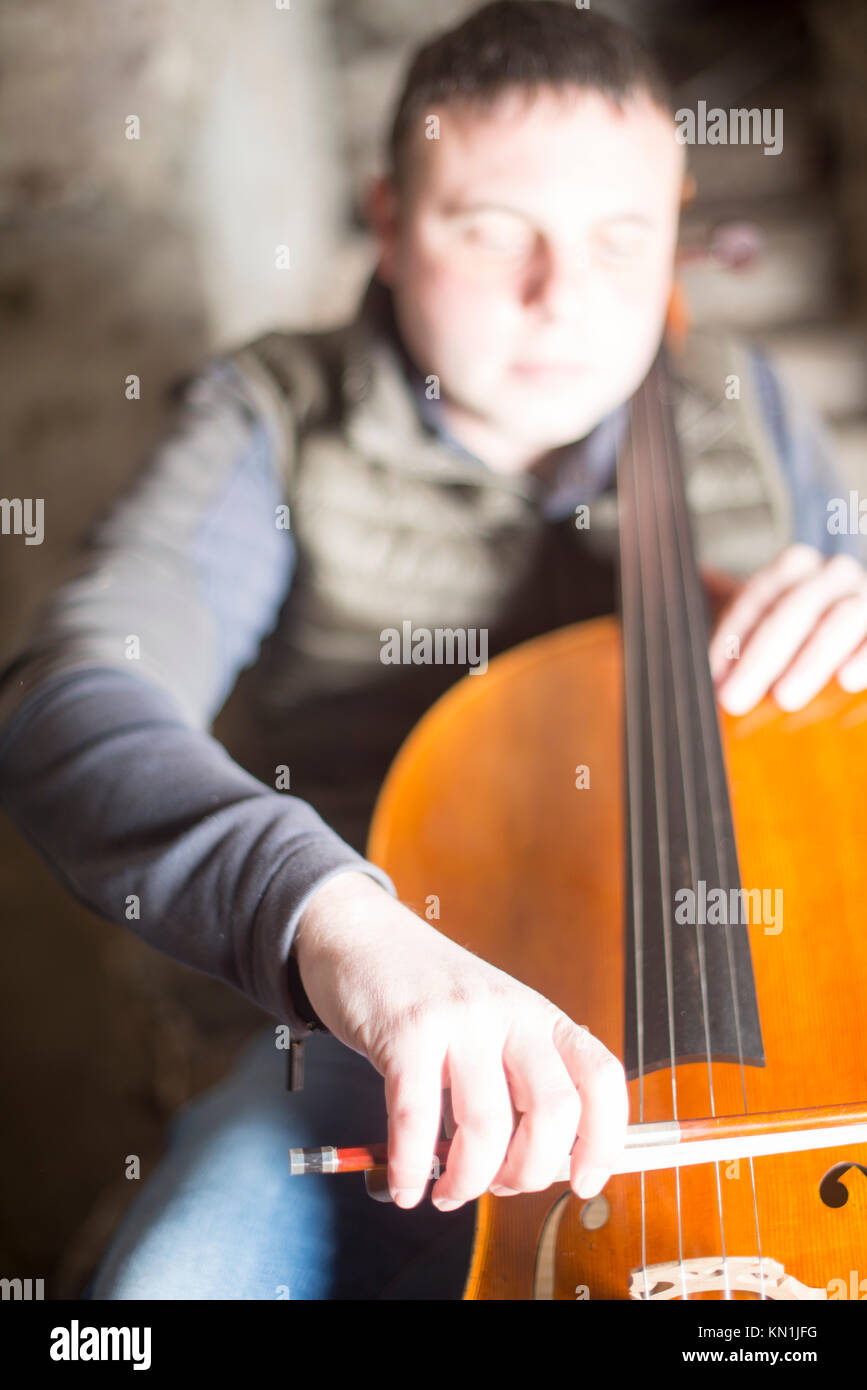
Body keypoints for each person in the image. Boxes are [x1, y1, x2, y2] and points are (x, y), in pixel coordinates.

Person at [1, 2, 865, 1300]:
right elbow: (74, 703)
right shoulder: (272, 418)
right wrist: (347, 930)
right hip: (368, 1039)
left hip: (774, 1002)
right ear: (392, 225)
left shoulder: (742, 404)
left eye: (620, 239)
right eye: (490, 229)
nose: (562, 299)